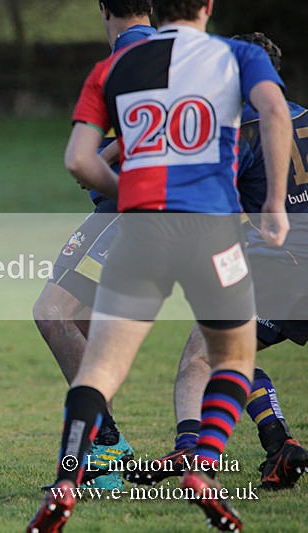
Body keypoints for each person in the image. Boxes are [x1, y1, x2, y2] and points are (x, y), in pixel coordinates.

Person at [27, 1, 291, 531]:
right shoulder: (236, 54)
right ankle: (203, 463)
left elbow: (80, 160)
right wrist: (275, 204)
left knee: (101, 367)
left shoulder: (113, 68)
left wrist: (130, 191)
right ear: (208, 7)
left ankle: (67, 477)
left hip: (141, 230)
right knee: (232, 357)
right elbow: (276, 112)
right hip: (212, 231)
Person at [125, 32, 308, 491]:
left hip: (282, 272)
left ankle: (194, 450)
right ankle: (278, 445)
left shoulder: (241, 130)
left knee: (205, 355)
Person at [32, 0, 155, 491]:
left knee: (52, 313)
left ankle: (106, 450)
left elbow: (129, 134)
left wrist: (98, 159)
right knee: (85, 323)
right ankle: (109, 449)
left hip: (124, 210)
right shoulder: (175, 51)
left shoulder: (122, 60)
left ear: (104, 9)